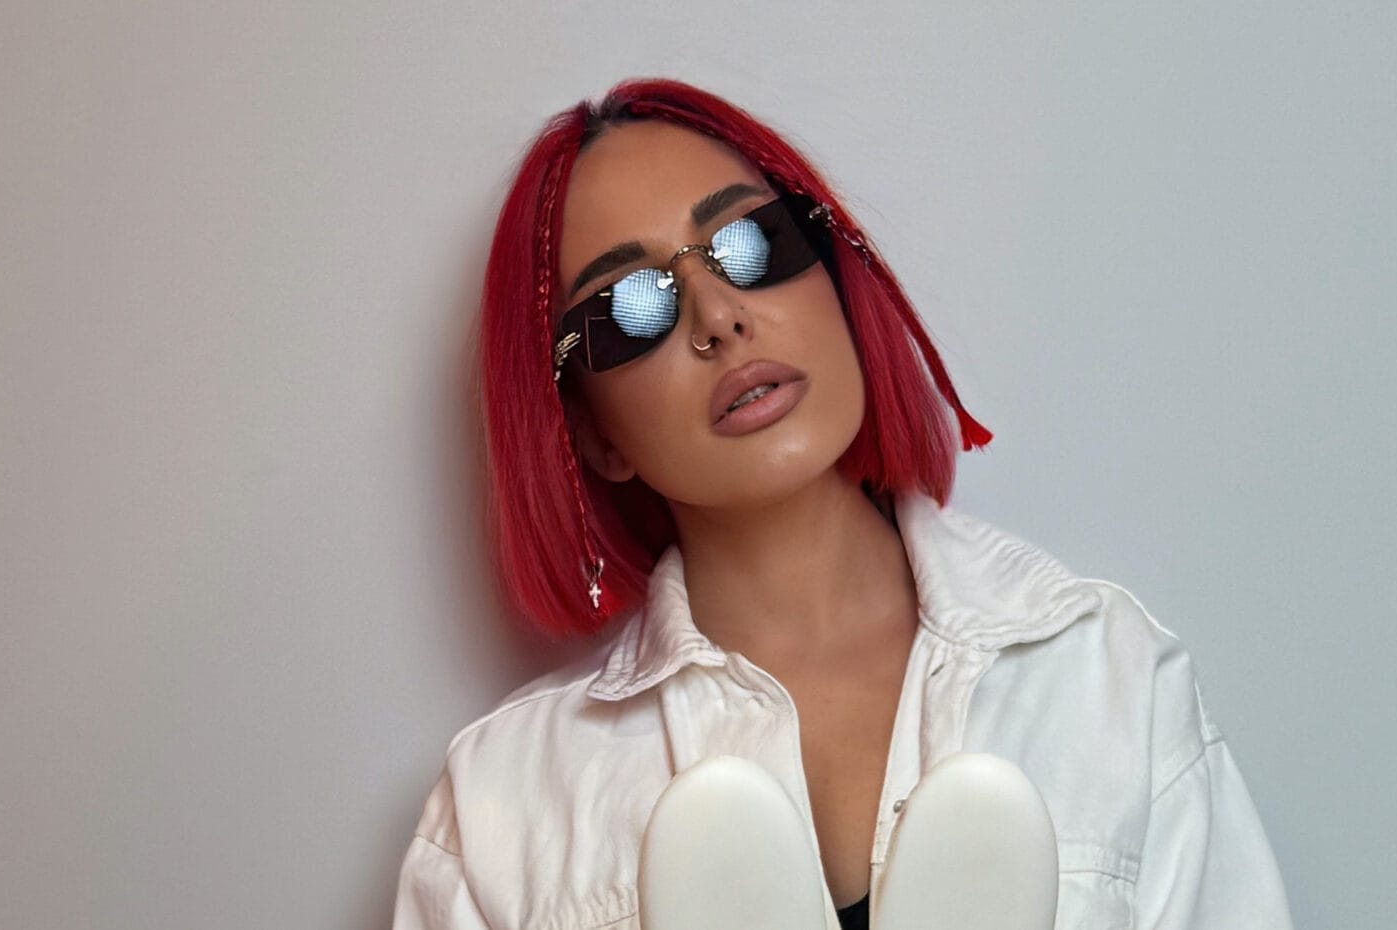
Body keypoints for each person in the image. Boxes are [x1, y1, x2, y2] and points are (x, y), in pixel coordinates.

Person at [392, 77, 1295, 930]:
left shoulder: (1106, 681)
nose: (719, 318)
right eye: (631, 308)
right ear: (592, 433)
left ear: (834, 271)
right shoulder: (502, 809)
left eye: (751, 242)